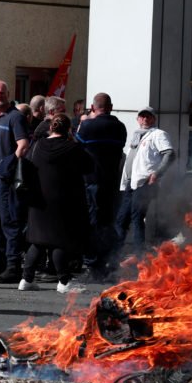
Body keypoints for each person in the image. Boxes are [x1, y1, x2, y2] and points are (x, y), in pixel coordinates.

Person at [18, 113, 93, 293]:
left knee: (38, 240)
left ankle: (26, 279)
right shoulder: (72, 148)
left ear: (50, 127)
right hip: (61, 201)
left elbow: (28, 165)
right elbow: (89, 166)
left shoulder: (37, 146)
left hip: (37, 199)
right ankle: (64, 281)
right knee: (59, 240)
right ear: (68, 129)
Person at [75, 93, 128, 279]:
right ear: (110, 107)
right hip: (112, 181)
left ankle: (92, 263)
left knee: (92, 222)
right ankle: (107, 260)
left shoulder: (88, 126)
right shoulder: (120, 127)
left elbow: (77, 148)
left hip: (91, 181)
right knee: (107, 221)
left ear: (92, 107)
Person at [0, 81, 31, 283]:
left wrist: (7, 165)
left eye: (1, 93)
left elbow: (23, 145)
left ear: (8, 94)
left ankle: (13, 267)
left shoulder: (15, 117)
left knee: (9, 223)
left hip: (5, 179)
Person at [116, 106, 176, 252]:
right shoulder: (136, 136)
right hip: (130, 183)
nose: (145, 119)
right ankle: (114, 254)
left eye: (148, 116)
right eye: (142, 116)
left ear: (154, 119)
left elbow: (170, 154)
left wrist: (157, 174)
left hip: (145, 183)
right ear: (137, 119)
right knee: (122, 219)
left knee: (137, 218)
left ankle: (139, 256)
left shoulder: (158, 134)